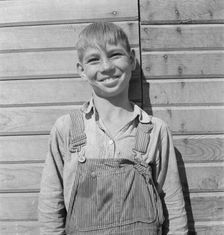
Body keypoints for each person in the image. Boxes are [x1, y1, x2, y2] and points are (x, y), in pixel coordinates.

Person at [38, 22, 188, 235]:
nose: (106, 67)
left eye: (115, 54)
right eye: (94, 59)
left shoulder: (154, 130)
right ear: (81, 70)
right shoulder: (67, 128)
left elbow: (173, 204)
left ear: (132, 59)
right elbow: (50, 206)